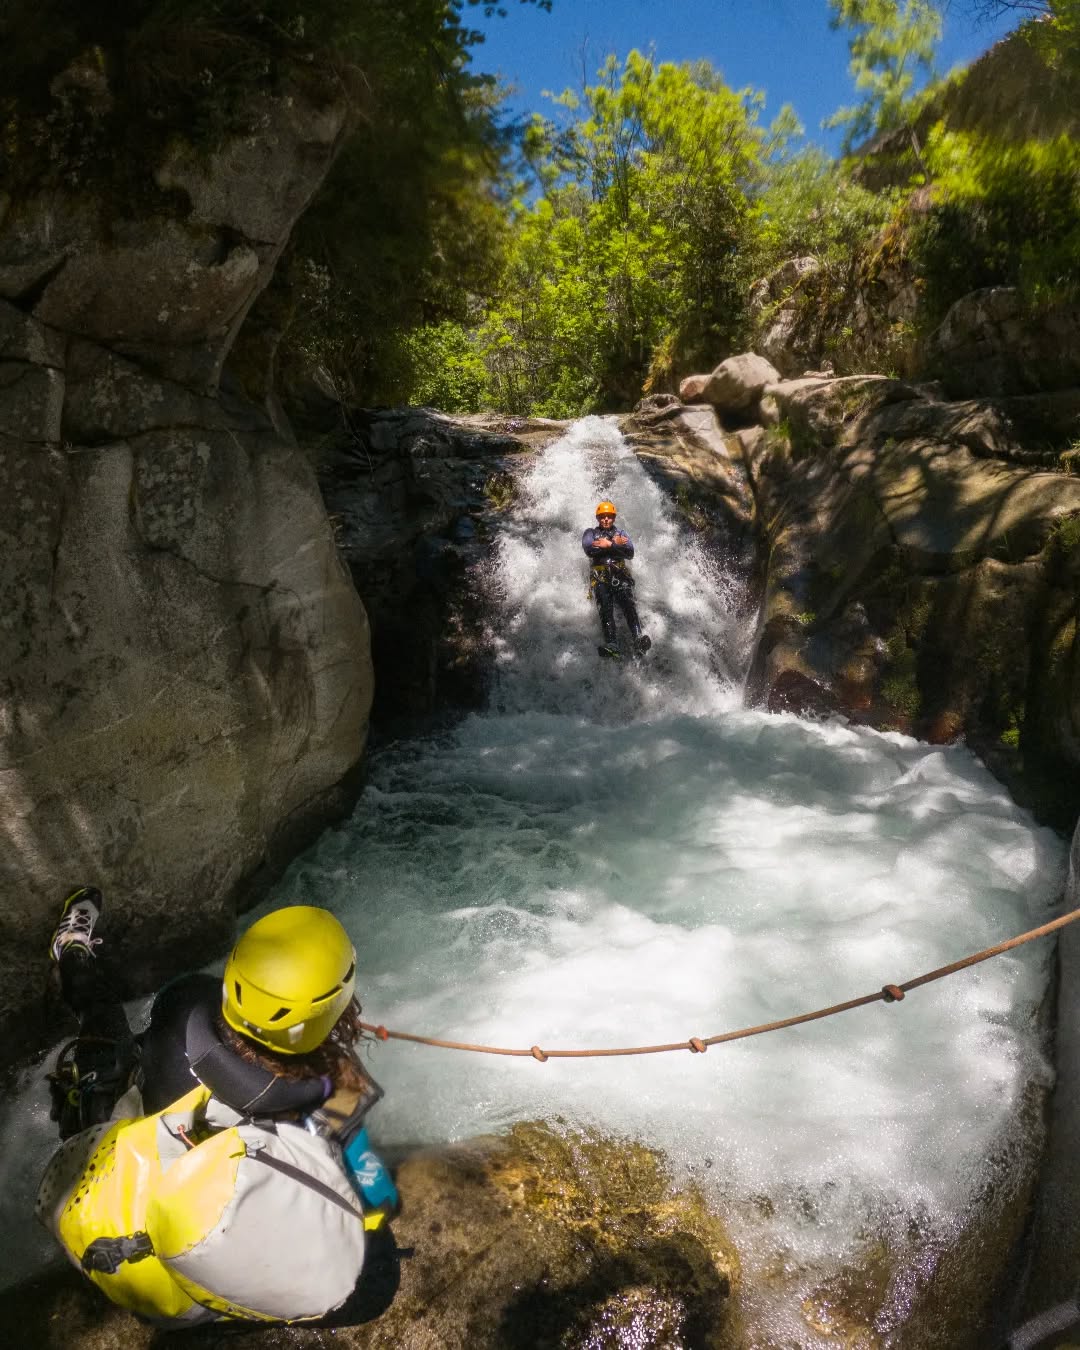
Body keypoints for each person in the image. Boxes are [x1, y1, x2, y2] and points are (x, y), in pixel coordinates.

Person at [37, 886, 398, 1326]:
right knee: (377, 1276)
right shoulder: (333, 1101)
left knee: (103, 1026)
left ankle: (72, 953)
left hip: (123, 1175)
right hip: (191, 1257)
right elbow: (380, 1202)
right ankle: (226, 1315)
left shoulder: (186, 1002)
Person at [581, 500, 651, 659]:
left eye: (609, 516)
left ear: (613, 518)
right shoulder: (590, 533)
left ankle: (638, 638)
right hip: (600, 578)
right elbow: (589, 550)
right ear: (598, 518)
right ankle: (612, 644)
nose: (606, 519)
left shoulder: (621, 533)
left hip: (620, 575)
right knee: (605, 609)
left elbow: (630, 553)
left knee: (628, 605)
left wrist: (608, 545)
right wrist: (616, 546)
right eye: (602, 516)